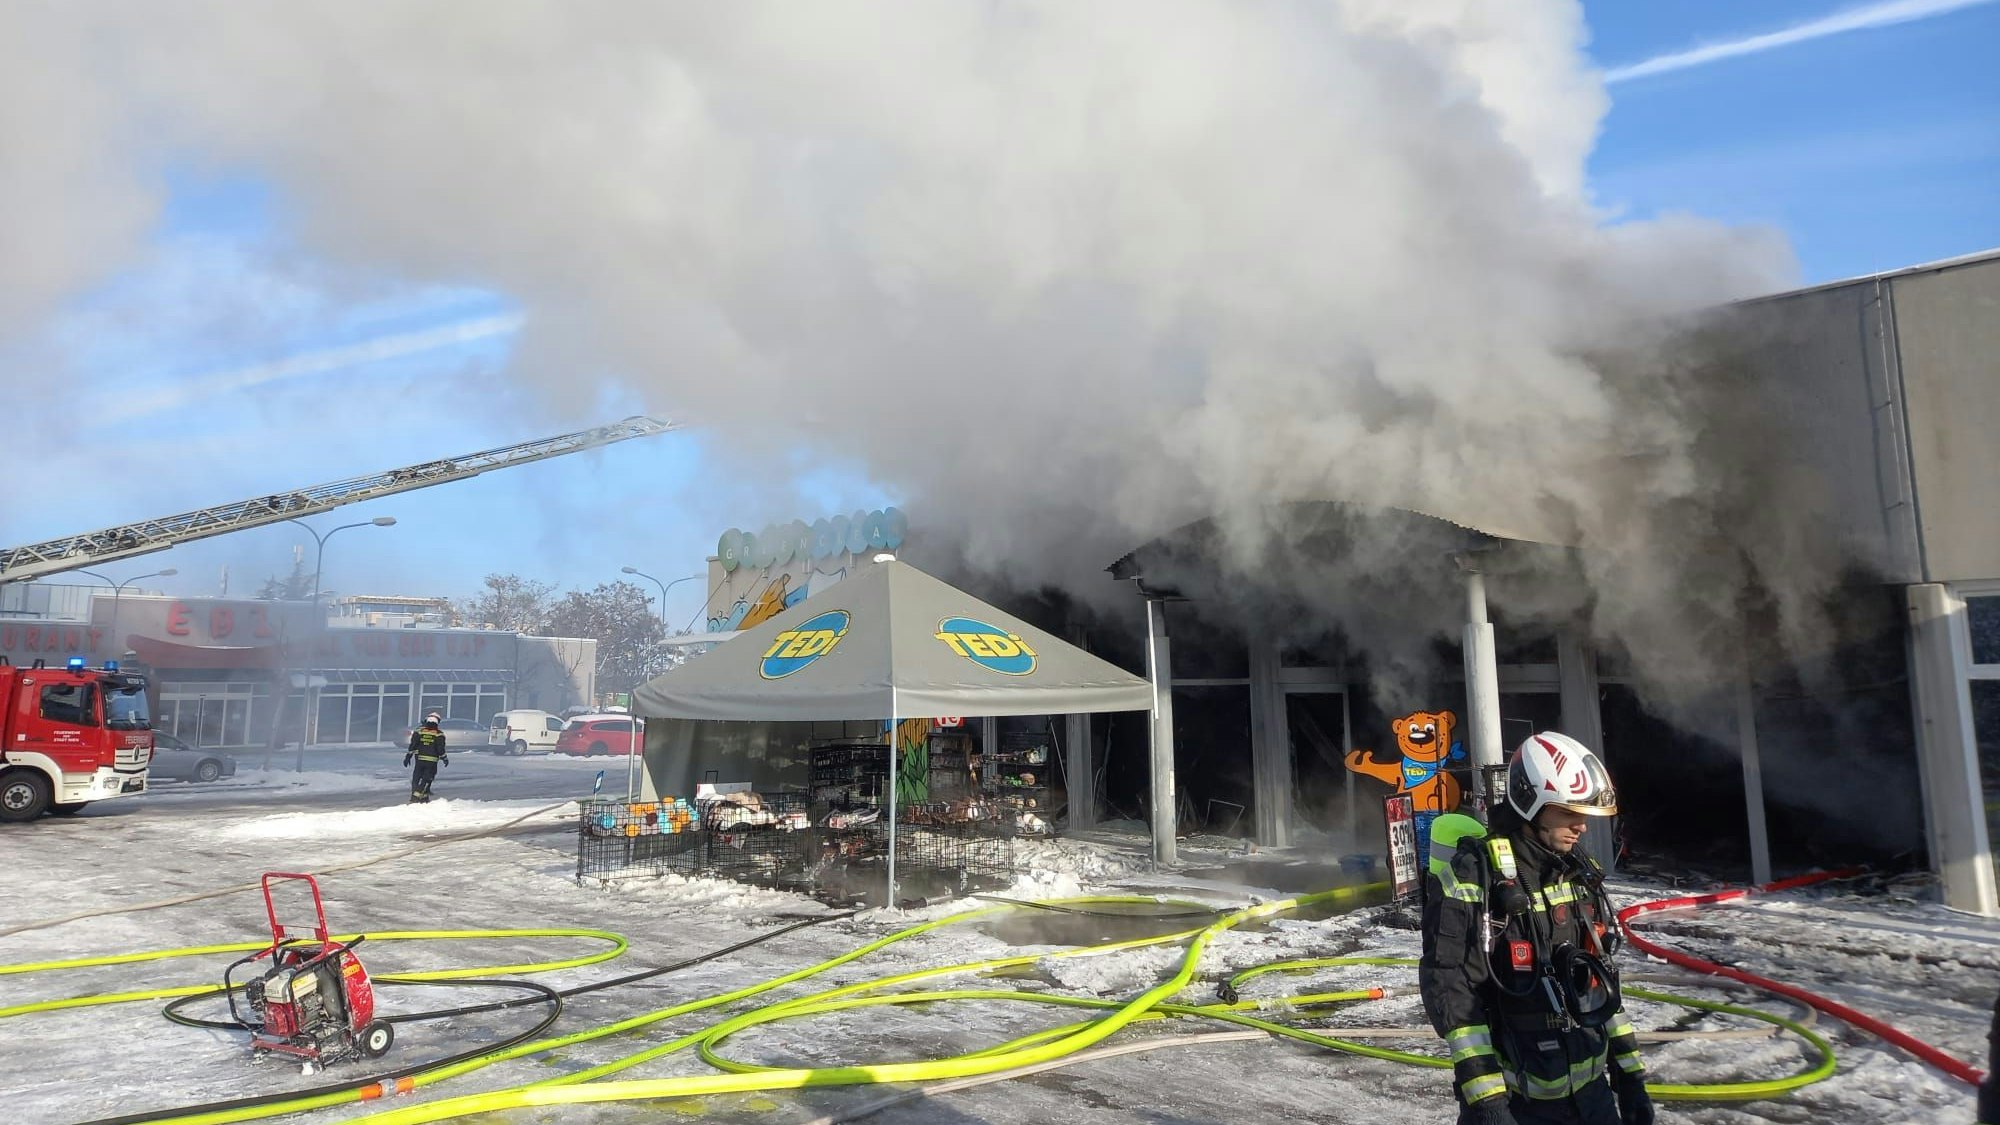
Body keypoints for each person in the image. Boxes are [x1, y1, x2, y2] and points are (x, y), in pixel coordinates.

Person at [1419, 732, 1653, 1125]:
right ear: (1530, 802)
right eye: (1568, 812)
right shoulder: (1476, 876)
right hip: (1518, 1102)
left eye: (1584, 815)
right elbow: (1454, 992)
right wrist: (1488, 1104)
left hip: (1593, 1098)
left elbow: (1599, 986)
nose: (1581, 827)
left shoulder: (1576, 873)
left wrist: (1630, 1077)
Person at [404, 715, 449, 803]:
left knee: (416, 777)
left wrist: (408, 757)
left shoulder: (419, 732)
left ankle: (424, 798)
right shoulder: (439, 734)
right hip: (431, 762)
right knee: (427, 779)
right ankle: (416, 797)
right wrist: (445, 758)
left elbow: (413, 745)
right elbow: (440, 749)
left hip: (420, 759)